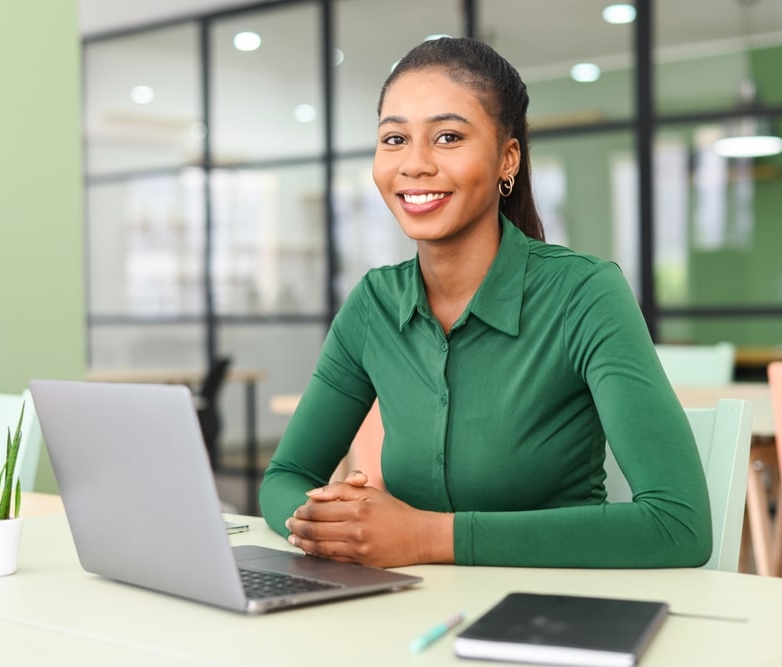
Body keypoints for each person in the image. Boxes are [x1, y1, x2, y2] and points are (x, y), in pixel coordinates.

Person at [259, 37, 712, 569]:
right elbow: (285, 478)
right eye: (395, 139)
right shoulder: (373, 304)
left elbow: (678, 524)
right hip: (407, 613)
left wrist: (424, 537)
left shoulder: (584, 294)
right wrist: (331, 524)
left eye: (448, 137)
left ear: (507, 158)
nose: (415, 164)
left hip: (556, 616)